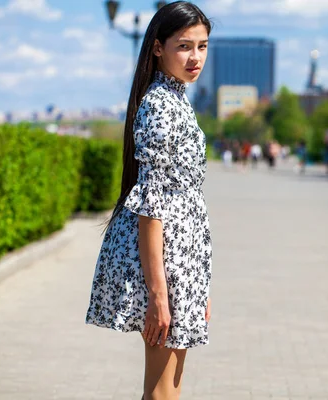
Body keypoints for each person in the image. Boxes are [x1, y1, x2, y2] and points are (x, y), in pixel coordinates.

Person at [85, 3, 213, 399]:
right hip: (166, 264)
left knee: (167, 389)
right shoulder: (160, 105)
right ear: (158, 48)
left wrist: (199, 285)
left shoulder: (177, 100)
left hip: (182, 262)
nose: (195, 58)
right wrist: (159, 294)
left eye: (203, 46)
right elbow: (152, 208)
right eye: (184, 46)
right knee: (161, 392)